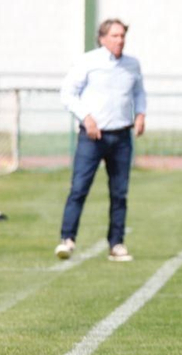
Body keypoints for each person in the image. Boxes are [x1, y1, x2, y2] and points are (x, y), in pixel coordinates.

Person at [56, 18, 146, 263]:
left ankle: (116, 243)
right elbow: (67, 92)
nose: (120, 40)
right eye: (115, 36)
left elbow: (138, 92)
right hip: (92, 137)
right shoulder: (88, 62)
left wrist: (140, 114)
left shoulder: (132, 64)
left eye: (122, 36)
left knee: (119, 193)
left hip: (122, 136)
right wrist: (86, 117)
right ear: (103, 38)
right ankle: (67, 239)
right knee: (79, 188)